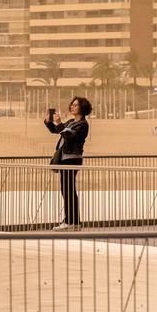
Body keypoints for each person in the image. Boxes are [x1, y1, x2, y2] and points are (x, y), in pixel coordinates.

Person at [45, 96, 92, 230]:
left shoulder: (82, 124)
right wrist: (49, 121)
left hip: (72, 158)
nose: (72, 106)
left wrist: (59, 124)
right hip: (65, 158)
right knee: (67, 190)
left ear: (82, 108)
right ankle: (73, 221)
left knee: (68, 190)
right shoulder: (72, 122)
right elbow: (57, 130)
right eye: (72, 104)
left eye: (75, 105)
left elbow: (69, 137)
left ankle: (70, 221)